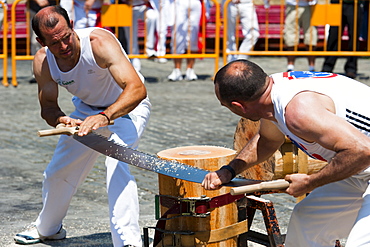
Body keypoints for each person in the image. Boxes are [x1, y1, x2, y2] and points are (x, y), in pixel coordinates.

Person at [14, 6, 151, 247]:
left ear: (72, 25)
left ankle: (128, 242)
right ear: (41, 41)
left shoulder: (99, 42)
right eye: (55, 43)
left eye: (66, 36)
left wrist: (105, 116)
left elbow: (137, 90)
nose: (64, 46)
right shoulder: (44, 61)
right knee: (58, 171)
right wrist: (60, 119)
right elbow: (48, 106)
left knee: (117, 163)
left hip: (127, 106)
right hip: (86, 110)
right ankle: (48, 228)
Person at [202, 60, 370, 246]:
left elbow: (362, 151)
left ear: (239, 106)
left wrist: (309, 182)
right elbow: (267, 140)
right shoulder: (272, 95)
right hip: (359, 168)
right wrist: (229, 171)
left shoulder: (299, 111)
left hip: (362, 157)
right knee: (306, 223)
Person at [321, 0, 363, 79]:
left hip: (354, 3)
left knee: (353, 37)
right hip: (336, 3)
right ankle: (328, 66)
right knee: (333, 35)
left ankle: (351, 68)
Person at [167, 0, 204, 81]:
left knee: (193, 35)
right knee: (178, 35)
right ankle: (177, 69)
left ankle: (190, 69)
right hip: (179, 2)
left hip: (195, 2)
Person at [283, 0, 317, 72]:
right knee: (291, 37)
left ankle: (311, 67)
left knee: (311, 36)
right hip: (292, 5)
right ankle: (290, 67)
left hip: (310, 6)